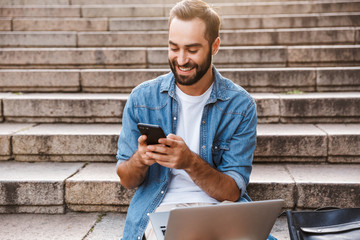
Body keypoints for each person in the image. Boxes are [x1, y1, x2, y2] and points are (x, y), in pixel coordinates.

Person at [116, 0, 267, 239]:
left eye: (192, 49)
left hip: (220, 210)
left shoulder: (240, 105)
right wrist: (140, 159)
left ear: (215, 45)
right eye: (174, 48)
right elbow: (126, 178)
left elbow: (232, 192)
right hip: (162, 211)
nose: (182, 59)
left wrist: (189, 162)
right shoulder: (142, 98)